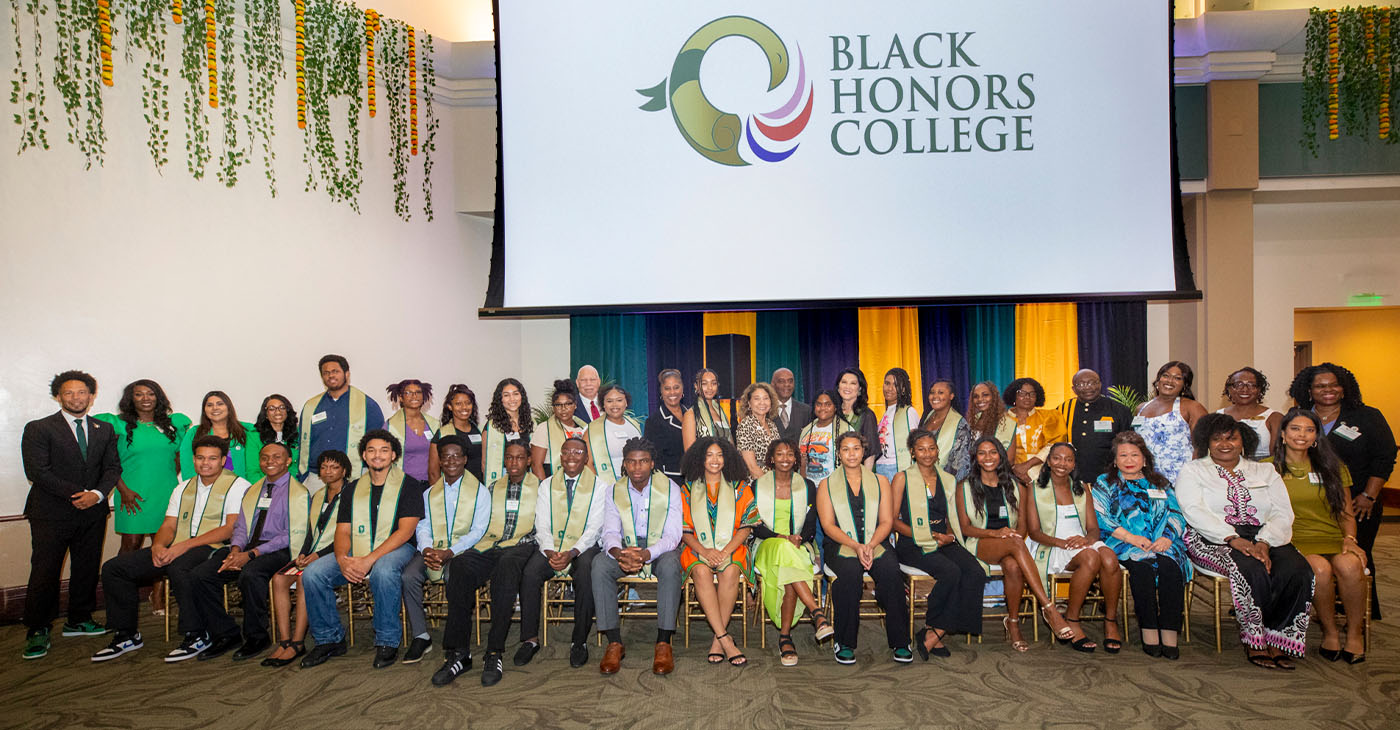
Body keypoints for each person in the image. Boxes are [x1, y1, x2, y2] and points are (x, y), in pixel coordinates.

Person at [91, 435, 250, 662]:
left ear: (223, 460)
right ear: (193, 460)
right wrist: (157, 546)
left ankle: (196, 634)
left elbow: (229, 529)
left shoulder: (238, 485)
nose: (205, 463)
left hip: (216, 548)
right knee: (114, 568)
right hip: (179, 548)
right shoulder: (182, 487)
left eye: (212, 458)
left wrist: (182, 547)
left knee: (180, 565)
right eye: (200, 458)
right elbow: (169, 524)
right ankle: (126, 634)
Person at [1176, 414, 1313, 670]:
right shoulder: (1193, 470)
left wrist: (1264, 541)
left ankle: (1280, 638)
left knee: (1298, 570)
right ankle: (1255, 639)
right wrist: (1231, 538)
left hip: (1267, 535)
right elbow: (1193, 510)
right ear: (1206, 441)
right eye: (1216, 439)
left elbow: (1282, 511)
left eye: (1231, 438)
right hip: (1211, 537)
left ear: (1243, 441)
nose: (1224, 444)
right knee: (1250, 569)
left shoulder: (1264, 470)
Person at [300, 430, 423, 670]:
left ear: (394, 455)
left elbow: (406, 531)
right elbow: (343, 531)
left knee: (383, 571)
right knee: (313, 573)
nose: (378, 455)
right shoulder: (352, 489)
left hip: (398, 549)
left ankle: (387, 641)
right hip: (358, 549)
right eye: (372, 450)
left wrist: (369, 560)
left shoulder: (408, 485)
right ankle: (329, 639)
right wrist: (342, 559)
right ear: (364, 456)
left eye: (384, 450)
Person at [21, 370, 121, 660]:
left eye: (82, 392)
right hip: (51, 511)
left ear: (91, 396)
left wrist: (98, 495)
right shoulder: (39, 428)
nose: (76, 397)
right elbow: (37, 471)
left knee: (87, 566)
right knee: (45, 571)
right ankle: (37, 628)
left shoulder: (104, 429)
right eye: (69, 392)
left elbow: (112, 468)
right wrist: (79, 494)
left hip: (93, 510)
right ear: (58, 396)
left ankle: (79, 618)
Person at [1288, 363, 1396, 620]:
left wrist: (1369, 495)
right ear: (1309, 390)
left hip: (1357, 500)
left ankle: (1360, 613)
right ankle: (1322, 607)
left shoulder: (1366, 416)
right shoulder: (1300, 415)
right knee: (1318, 560)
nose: (1328, 390)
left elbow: (1385, 457)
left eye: (1334, 384)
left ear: (1344, 388)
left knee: (1358, 553)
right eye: (1320, 386)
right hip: (1310, 501)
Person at [430, 442, 540, 687]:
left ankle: (494, 651)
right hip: (491, 544)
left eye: (519, 458)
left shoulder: (541, 487)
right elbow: (481, 524)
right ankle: (459, 653)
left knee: (506, 569)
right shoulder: (492, 487)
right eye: (509, 458)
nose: (514, 463)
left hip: (522, 546)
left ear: (529, 460)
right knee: (458, 566)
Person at [188, 441, 309, 662]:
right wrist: (235, 551)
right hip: (246, 548)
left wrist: (252, 555)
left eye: (277, 457)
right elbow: (241, 527)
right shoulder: (253, 490)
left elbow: (291, 535)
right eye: (265, 458)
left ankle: (256, 636)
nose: (270, 462)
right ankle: (225, 633)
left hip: (280, 550)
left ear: (288, 461)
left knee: (251, 575)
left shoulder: (298, 493)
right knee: (201, 576)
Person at [955, 437, 1074, 652]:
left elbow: (1022, 526)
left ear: (1000, 456)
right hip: (979, 542)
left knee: (1012, 566)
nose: (988, 457)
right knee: (1016, 545)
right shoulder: (965, 487)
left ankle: (1013, 622)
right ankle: (1049, 608)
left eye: (993, 452)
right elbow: (965, 528)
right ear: (975, 458)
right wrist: (996, 533)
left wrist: (1012, 536)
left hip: (1010, 544)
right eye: (982, 453)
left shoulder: (1016, 486)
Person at [1271, 408, 1368, 663]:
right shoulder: (1268, 469)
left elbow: (1346, 513)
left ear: (1316, 437)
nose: (1301, 435)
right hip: (1294, 540)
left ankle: (1355, 633)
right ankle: (1330, 631)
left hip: (1333, 536)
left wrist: (1350, 539)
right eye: (1295, 428)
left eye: (1309, 430)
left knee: (1350, 566)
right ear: (1282, 434)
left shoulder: (1332, 467)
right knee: (1321, 570)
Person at [94, 379, 190, 617]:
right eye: (139, 394)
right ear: (131, 399)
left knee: (162, 546)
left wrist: (169, 477)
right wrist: (122, 490)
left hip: (165, 493)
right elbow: (110, 462)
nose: (145, 398)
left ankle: (157, 597)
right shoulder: (117, 425)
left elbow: (177, 457)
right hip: (131, 494)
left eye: (150, 394)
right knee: (131, 547)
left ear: (158, 397)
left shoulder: (173, 425)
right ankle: (121, 603)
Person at [816, 431, 913, 664]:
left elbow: (887, 522)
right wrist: (856, 546)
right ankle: (845, 641)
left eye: (856, 448)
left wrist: (868, 545)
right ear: (838, 454)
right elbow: (828, 525)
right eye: (846, 449)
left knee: (891, 570)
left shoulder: (880, 481)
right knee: (849, 574)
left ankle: (900, 640)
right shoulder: (826, 484)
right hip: (841, 544)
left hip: (875, 540)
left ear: (863, 451)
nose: (852, 454)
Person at [593, 437, 685, 676]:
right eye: (631, 462)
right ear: (624, 464)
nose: (637, 467)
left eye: (643, 461)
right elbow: (611, 531)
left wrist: (646, 554)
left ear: (652, 463)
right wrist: (619, 553)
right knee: (600, 565)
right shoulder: (615, 489)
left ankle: (663, 642)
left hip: (659, 548)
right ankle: (614, 642)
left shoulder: (670, 488)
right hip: (626, 548)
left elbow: (673, 535)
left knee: (671, 566)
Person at [889, 429, 985, 660]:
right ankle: (937, 629)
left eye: (931, 448)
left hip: (944, 540)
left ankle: (936, 630)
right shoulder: (902, 478)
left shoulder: (948, 479)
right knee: (951, 572)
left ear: (938, 450)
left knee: (976, 572)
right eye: (921, 449)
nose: (927, 453)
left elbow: (953, 517)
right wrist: (922, 534)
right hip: (912, 542)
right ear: (912, 452)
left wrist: (949, 537)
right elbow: (892, 520)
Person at [1094, 432, 1190, 659]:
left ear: (1144, 459)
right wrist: (1131, 538)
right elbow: (1101, 517)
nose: (1129, 460)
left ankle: (1169, 632)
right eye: (1123, 455)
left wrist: (1167, 537)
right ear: (1115, 460)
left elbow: (1176, 512)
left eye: (1135, 455)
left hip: (1163, 541)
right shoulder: (1105, 482)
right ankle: (1149, 631)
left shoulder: (1160, 482)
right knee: (1143, 569)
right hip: (1123, 542)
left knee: (1170, 567)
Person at [1023, 442, 1122, 653]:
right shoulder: (1034, 488)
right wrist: (1063, 543)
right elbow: (1034, 531)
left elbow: (1094, 529)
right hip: (1050, 543)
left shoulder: (1082, 488)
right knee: (1090, 559)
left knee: (1110, 558)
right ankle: (1072, 619)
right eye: (1057, 458)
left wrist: (1086, 539)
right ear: (1048, 461)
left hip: (1081, 541)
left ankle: (1111, 620)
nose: (1062, 464)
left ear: (1074, 464)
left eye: (1068, 459)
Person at [521, 436, 609, 668]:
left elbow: (595, 527)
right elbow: (541, 524)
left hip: (584, 546)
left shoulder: (600, 487)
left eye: (577, 452)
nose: (571, 456)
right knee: (530, 573)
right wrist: (550, 551)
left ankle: (579, 641)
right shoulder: (547, 485)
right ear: (560, 457)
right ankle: (530, 639)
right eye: (566, 452)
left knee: (586, 573)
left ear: (586, 458)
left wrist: (572, 552)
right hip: (552, 545)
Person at [401, 435, 489, 666]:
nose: (450, 461)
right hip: (432, 550)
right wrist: (427, 548)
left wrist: (450, 551)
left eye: (455, 456)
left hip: (460, 553)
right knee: (408, 576)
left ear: (464, 459)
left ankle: (456, 637)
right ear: (439, 461)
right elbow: (423, 525)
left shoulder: (480, 492)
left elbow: (479, 531)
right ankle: (421, 636)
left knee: (455, 577)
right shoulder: (429, 493)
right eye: (445, 457)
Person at [263, 450, 350, 667]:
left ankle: (298, 642)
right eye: (324, 467)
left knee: (305, 578)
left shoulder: (352, 494)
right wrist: (303, 553)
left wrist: (316, 556)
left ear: (344, 470)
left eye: (334, 467)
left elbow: (349, 536)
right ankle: (284, 640)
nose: (328, 471)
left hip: (337, 553)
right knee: (278, 579)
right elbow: (311, 530)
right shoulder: (318, 495)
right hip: (312, 553)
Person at [750, 439, 832, 666]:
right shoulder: (757, 486)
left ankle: (785, 637)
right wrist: (782, 538)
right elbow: (754, 524)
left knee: (788, 569)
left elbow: (810, 524)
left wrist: (799, 539)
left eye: (789, 454)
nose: (785, 458)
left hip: (797, 545)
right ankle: (816, 612)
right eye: (780, 454)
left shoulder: (807, 486)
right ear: (771, 459)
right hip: (767, 544)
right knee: (785, 552)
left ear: (796, 459)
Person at [679, 437, 759, 667]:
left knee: (732, 570)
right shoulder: (687, 489)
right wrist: (705, 550)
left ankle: (717, 640)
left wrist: (724, 551)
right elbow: (684, 531)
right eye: (709, 455)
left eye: (720, 455)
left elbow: (747, 527)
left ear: (727, 458)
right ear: (700, 459)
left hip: (732, 547)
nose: (715, 460)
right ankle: (725, 638)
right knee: (702, 572)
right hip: (697, 548)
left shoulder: (740, 488)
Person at [297, 354, 386, 486]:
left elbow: (378, 443)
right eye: (326, 373)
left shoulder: (367, 406)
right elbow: (303, 442)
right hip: (316, 477)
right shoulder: (311, 406)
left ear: (347, 374)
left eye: (335, 371)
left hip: (353, 477)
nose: (331, 376)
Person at [1134, 361, 1208, 484]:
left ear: (1185, 385)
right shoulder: (1141, 408)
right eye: (1166, 376)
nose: (1169, 381)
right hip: (1145, 476)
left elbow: (1201, 446)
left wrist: (1193, 477)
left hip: (1180, 477)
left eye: (1177, 378)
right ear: (1158, 380)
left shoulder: (1193, 407)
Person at [1056, 369, 1131, 487]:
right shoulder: (1063, 409)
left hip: (1107, 477)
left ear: (1100, 385)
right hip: (1072, 476)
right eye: (1081, 384)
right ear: (1074, 389)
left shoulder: (1119, 410)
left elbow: (1128, 445)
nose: (1087, 387)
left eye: (1092, 382)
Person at [178, 391, 256, 481]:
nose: (215, 408)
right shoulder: (194, 433)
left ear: (228, 407)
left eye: (220, 404)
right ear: (204, 410)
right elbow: (187, 465)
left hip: (242, 489)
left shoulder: (247, 431)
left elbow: (254, 465)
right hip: (205, 491)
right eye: (209, 405)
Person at [1004, 378, 1064, 481]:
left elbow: (1056, 445)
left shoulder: (1049, 417)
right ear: (1014, 395)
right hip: (1009, 474)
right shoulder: (1002, 420)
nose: (1027, 397)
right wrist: (1014, 470)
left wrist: (1027, 465)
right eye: (1022, 393)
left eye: (1032, 394)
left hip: (1043, 473)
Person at [1218, 367, 1282, 460]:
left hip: (1263, 469)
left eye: (1252, 385)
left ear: (1260, 389)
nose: (1244, 389)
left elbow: (1277, 457)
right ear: (1229, 389)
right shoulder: (1217, 416)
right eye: (1238, 384)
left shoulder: (1274, 418)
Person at [483, 378, 534, 486]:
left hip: (527, 478)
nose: (512, 399)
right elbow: (485, 462)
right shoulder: (492, 426)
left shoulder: (531, 422)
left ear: (522, 396)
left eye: (516, 394)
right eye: (506, 395)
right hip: (502, 479)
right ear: (500, 399)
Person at [533, 379, 588, 480]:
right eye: (558, 405)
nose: (563, 408)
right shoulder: (544, 428)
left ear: (575, 405)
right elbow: (536, 465)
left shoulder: (584, 428)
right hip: (552, 479)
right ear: (553, 407)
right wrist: (545, 489)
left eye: (568, 404)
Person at [586, 384, 641, 484]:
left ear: (626, 403)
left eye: (619, 400)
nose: (614, 405)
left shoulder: (634, 425)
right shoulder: (592, 429)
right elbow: (587, 463)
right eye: (609, 401)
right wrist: (599, 487)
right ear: (603, 404)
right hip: (607, 484)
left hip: (635, 483)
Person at [385, 379, 438, 482]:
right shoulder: (391, 426)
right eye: (409, 392)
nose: (414, 396)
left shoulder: (434, 425)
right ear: (401, 397)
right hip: (403, 485)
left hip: (430, 484)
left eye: (418, 392)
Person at [920, 379, 972, 481]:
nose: (935, 396)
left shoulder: (960, 424)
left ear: (951, 396)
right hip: (921, 478)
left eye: (941, 393)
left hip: (944, 484)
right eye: (932, 392)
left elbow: (961, 465)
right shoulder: (928, 416)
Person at [430, 383, 483, 483]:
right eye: (458, 404)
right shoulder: (442, 434)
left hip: (478, 489)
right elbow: (433, 472)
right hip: (454, 490)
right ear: (450, 406)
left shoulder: (478, 430)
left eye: (468, 403)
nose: (464, 407)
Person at [875, 368, 922, 481]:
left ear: (903, 389)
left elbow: (915, 443)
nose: (890, 388)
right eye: (887, 383)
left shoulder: (908, 412)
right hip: (881, 467)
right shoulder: (887, 412)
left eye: (896, 385)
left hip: (897, 468)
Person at [642, 370, 687, 483]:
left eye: (676, 387)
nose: (672, 392)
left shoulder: (691, 414)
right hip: (670, 482)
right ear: (661, 392)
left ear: (682, 388)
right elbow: (652, 458)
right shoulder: (654, 421)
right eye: (667, 388)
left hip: (695, 480)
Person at [834, 368, 879, 470]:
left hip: (859, 473)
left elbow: (870, 452)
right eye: (844, 382)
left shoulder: (866, 415)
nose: (847, 387)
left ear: (860, 389)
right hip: (835, 474)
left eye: (853, 383)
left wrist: (866, 479)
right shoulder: (832, 413)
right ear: (838, 387)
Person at [735, 382, 781, 480]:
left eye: (765, 398)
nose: (762, 402)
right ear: (749, 403)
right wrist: (768, 486)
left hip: (774, 477)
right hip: (756, 481)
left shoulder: (772, 425)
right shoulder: (746, 425)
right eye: (757, 398)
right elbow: (752, 467)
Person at [251, 394, 300, 481]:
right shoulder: (254, 437)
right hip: (263, 487)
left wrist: (287, 486)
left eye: (282, 408)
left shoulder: (296, 435)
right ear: (266, 413)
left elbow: (297, 467)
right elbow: (252, 471)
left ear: (287, 411)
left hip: (292, 485)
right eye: (272, 409)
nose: (278, 412)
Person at [798, 390, 841, 484]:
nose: (823, 408)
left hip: (833, 487)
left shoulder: (844, 429)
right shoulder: (806, 430)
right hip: (809, 486)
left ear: (835, 407)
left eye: (828, 404)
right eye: (819, 404)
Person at [682, 367, 731, 449]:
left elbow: (730, 445)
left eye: (713, 383)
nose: (710, 388)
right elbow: (689, 453)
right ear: (696, 386)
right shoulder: (690, 415)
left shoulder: (721, 411)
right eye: (704, 384)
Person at [967, 380, 1016, 460]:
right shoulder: (973, 420)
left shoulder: (1006, 423)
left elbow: (1009, 459)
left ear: (994, 397)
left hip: (996, 469)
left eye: (985, 395)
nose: (980, 399)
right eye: (976, 396)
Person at [772, 368, 813, 441]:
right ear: (773, 384)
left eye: (790, 381)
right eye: (781, 381)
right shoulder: (766, 410)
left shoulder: (806, 411)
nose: (787, 385)